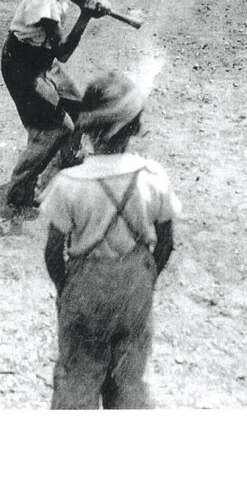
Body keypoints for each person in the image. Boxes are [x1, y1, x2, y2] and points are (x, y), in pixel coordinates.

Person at [40, 70, 181, 409]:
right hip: (135, 291)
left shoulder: (69, 184)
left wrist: (66, 290)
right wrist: (145, 280)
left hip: (85, 293)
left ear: (86, 127)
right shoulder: (153, 178)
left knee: (77, 377)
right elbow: (165, 243)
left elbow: (52, 252)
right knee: (129, 380)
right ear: (136, 126)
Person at [0, 0, 111, 209]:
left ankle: (67, 158)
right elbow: (63, 53)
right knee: (54, 128)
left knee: (79, 106)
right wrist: (86, 18)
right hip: (22, 65)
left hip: (42, 59)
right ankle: (20, 189)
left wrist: (93, 5)